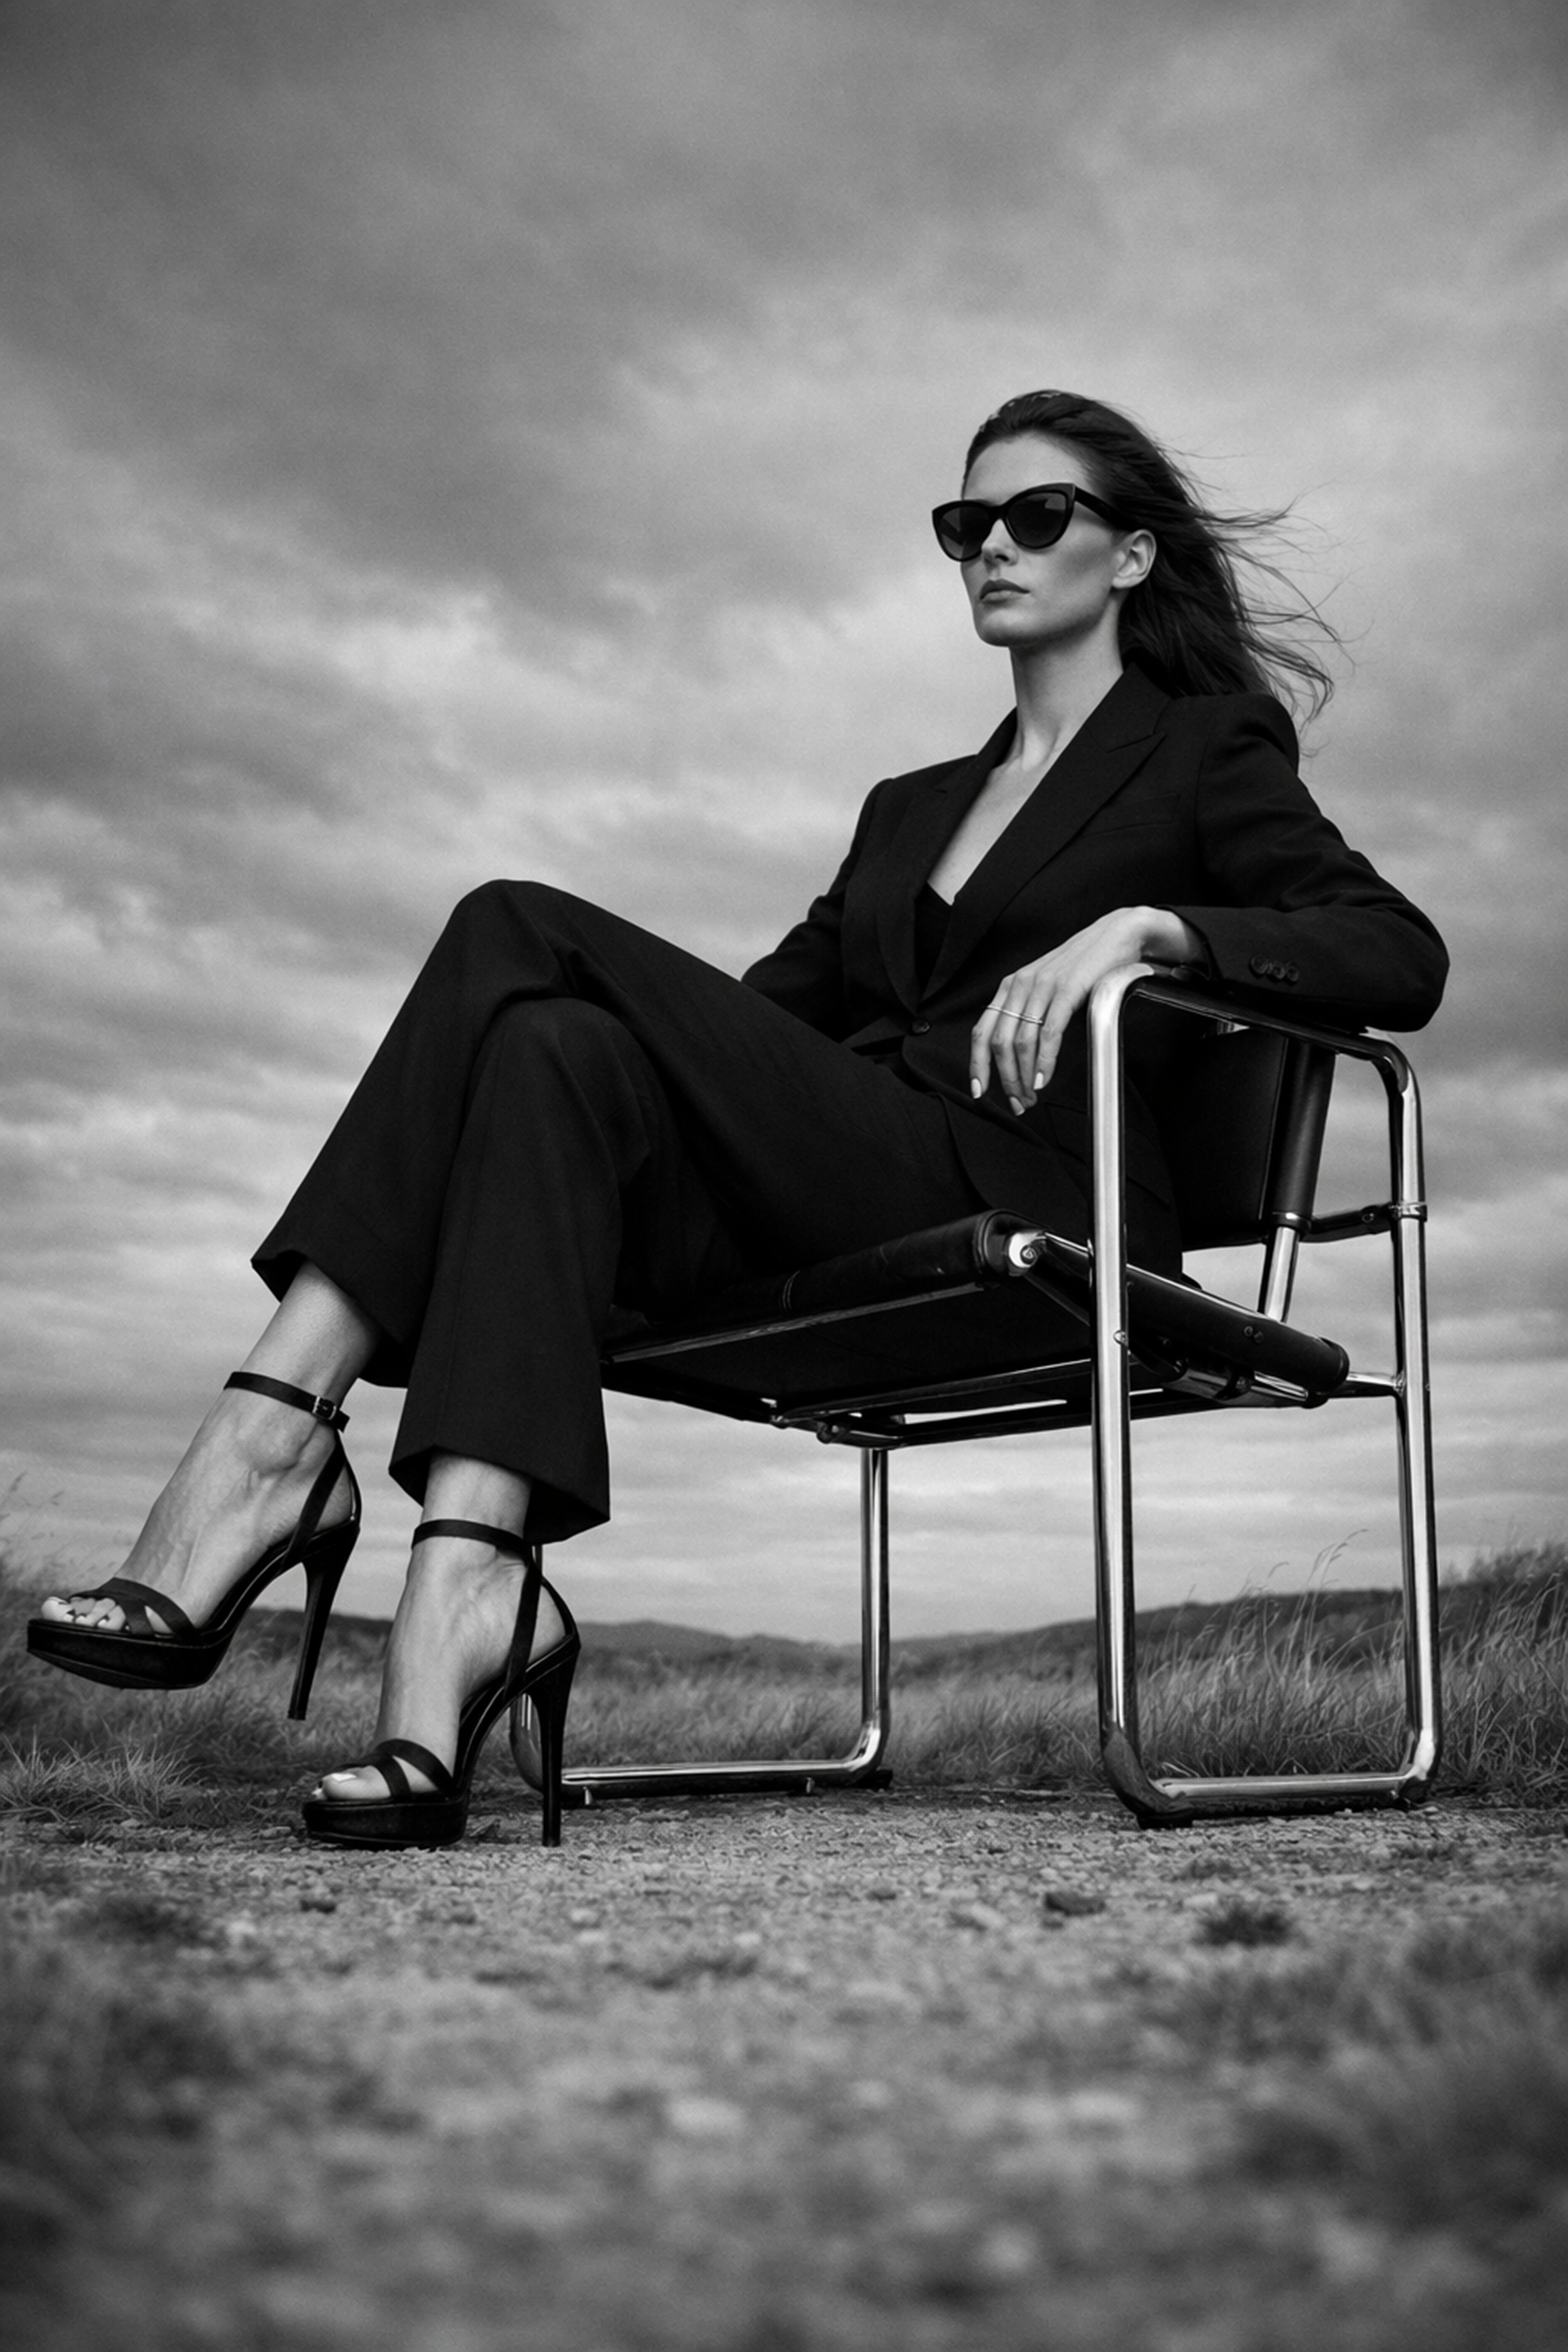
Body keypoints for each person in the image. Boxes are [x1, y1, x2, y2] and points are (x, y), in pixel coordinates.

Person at [28, 389, 1448, 1851]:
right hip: (855, 1182)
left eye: (1037, 517)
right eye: (967, 525)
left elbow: (1395, 952)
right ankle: (470, 1591)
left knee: (514, 925)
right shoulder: (906, 809)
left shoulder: (1200, 746)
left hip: (1029, 1199)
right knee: (555, 1045)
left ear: (1131, 557)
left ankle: (271, 1448)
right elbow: (763, 1026)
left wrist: (1150, 931)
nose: (991, 551)